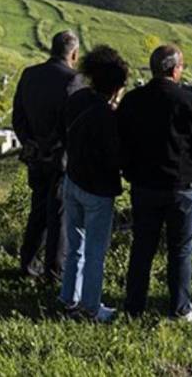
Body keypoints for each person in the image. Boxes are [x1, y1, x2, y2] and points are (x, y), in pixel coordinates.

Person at [118, 44, 192, 322]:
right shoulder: (189, 101)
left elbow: (122, 140)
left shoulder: (133, 101)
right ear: (175, 69)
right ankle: (180, 307)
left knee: (142, 248)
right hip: (182, 185)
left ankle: (134, 306)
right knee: (181, 249)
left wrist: (129, 170)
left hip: (145, 185)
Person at [59, 45, 130, 323]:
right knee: (95, 252)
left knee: (75, 245)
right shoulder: (107, 116)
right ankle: (90, 307)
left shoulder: (77, 100)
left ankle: (68, 298)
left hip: (72, 179)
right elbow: (116, 156)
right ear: (115, 87)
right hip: (98, 190)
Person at [12, 30, 81, 281]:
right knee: (59, 214)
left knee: (38, 210)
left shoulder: (30, 75)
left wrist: (31, 143)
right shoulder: (74, 80)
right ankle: (55, 270)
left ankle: (28, 264)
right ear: (73, 53)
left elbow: (18, 117)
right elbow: (72, 123)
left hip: (35, 156)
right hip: (59, 158)